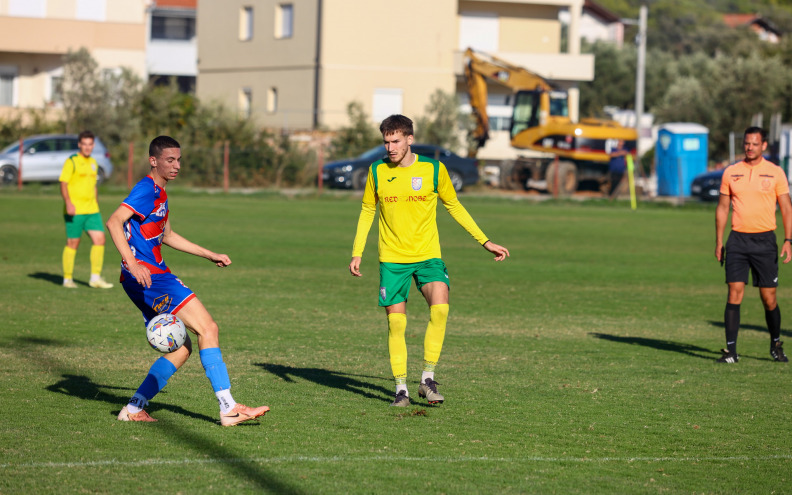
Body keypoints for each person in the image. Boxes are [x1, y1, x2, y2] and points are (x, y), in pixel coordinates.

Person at [105, 136, 269, 425]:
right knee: (208, 328)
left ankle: (133, 409)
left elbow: (166, 236)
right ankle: (228, 408)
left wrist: (209, 254)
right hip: (149, 276)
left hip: (149, 275)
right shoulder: (146, 189)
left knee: (181, 349)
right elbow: (114, 221)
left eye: (179, 159)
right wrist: (132, 263)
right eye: (170, 160)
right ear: (153, 161)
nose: (177, 165)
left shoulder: (161, 194)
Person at [349, 115, 510, 407]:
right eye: (386, 142)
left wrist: (484, 241)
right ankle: (401, 389)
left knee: (441, 309)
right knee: (396, 325)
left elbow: (454, 206)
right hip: (392, 260)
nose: (390, 148)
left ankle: (427, 379)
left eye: (395, 141)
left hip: (428, 257)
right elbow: (366, 210)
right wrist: (357, 251)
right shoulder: (377, 171)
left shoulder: (434, 169)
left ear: (410, 139)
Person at [715, 126, 791, 363]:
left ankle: (776, 344)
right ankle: (731, 352)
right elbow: (722, 208)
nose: (749, 147)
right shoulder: (731, 172)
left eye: (755, 144)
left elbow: (787, 208)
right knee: (734, 292)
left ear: (764, 146)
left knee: (769, 298)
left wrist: (789, 239)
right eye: (747, 143)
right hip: (737, 240)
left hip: (765, 241)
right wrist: (719, 240)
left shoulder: (775, 172)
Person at [59, 130, 113, 289]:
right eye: (85, 144)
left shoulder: (94, 163)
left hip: (92, 210)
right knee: (73, 243)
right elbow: (63, 183)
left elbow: (93, 186)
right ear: (79, 144)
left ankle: (95, 278)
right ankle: (67, 279)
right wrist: (68, 202)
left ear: (93, 145)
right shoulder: (72, 161)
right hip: (75, 210)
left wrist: (96, 202)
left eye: (90, 144)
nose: (87, 147)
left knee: (100, 240)